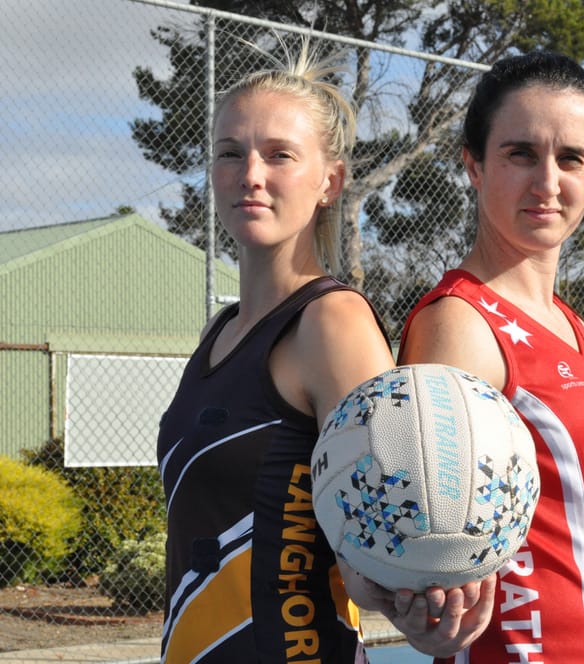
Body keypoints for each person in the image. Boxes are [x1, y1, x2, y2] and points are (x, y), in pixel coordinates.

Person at [394, 51, 584, 662]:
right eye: (520, 154)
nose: (547, 182)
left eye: (571, 157)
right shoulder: (459, 325)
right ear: (474, 165)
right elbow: (426, 540)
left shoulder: (570, 322)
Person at [156, 38, 397, 663]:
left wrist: (407, 593)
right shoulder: (222, 331)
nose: (250, 175)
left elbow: (389, 531)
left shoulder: (333, 324)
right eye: (230, 153)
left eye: (279, 155)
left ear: (330, 182)